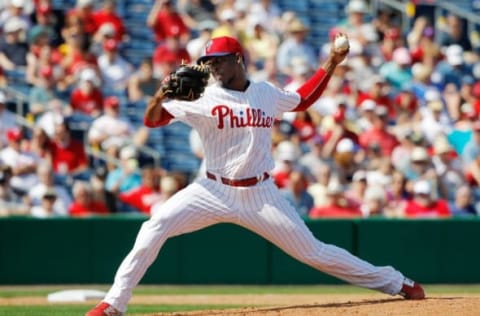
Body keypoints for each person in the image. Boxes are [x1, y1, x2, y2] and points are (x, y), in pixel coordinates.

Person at [86, 35, 425, 316]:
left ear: (238, 59)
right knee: (154, 225)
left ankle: (396, 282)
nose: (213, 67)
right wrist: (161, 93)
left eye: (219, 60)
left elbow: (303, 99)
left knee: (314, 253)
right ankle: (114, 304)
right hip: (210, 190)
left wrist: (332, 63)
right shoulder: (203, 96)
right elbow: (152, 120)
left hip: (261, 195)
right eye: (209, 62)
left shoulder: (264, 92)